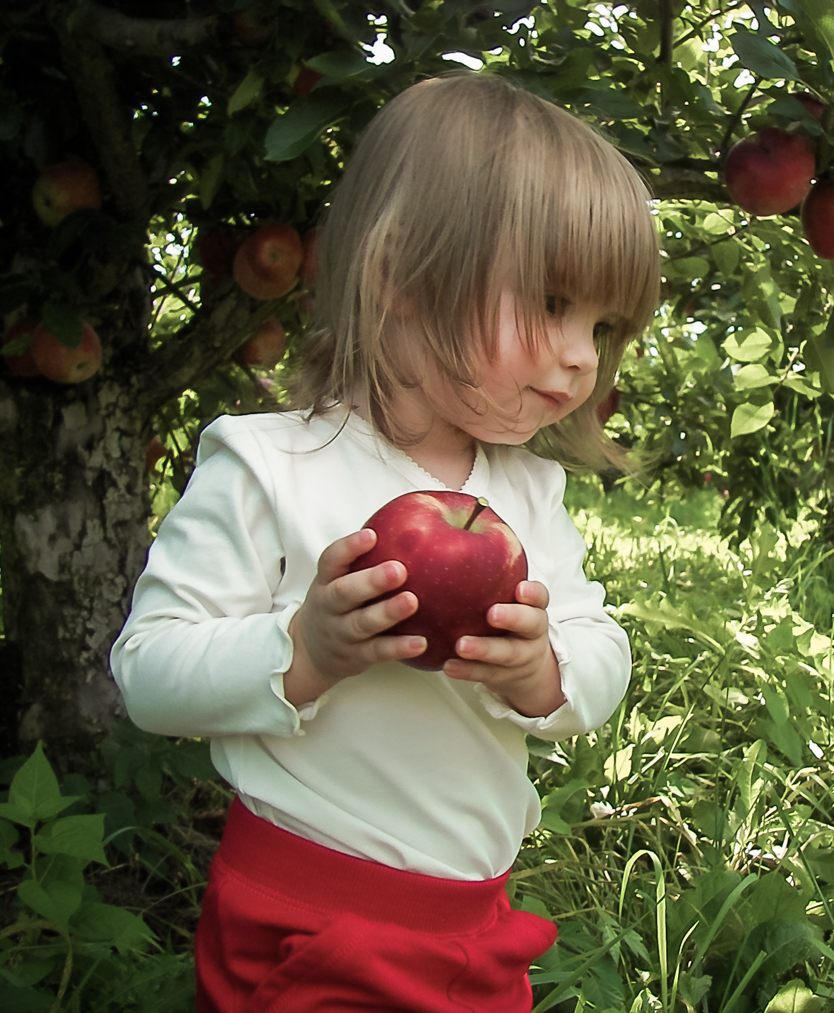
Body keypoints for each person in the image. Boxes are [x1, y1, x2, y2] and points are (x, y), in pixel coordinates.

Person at [111, 72, 660, 1013]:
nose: (580, 356)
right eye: (553, 301)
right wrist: (304, 648)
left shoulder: (527, 490)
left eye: (601, 325)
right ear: (400, 276)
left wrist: (542, 672)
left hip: (475, 928)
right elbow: (148, 671)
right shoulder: (269, 464)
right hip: (308, 919)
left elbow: (602, 650)